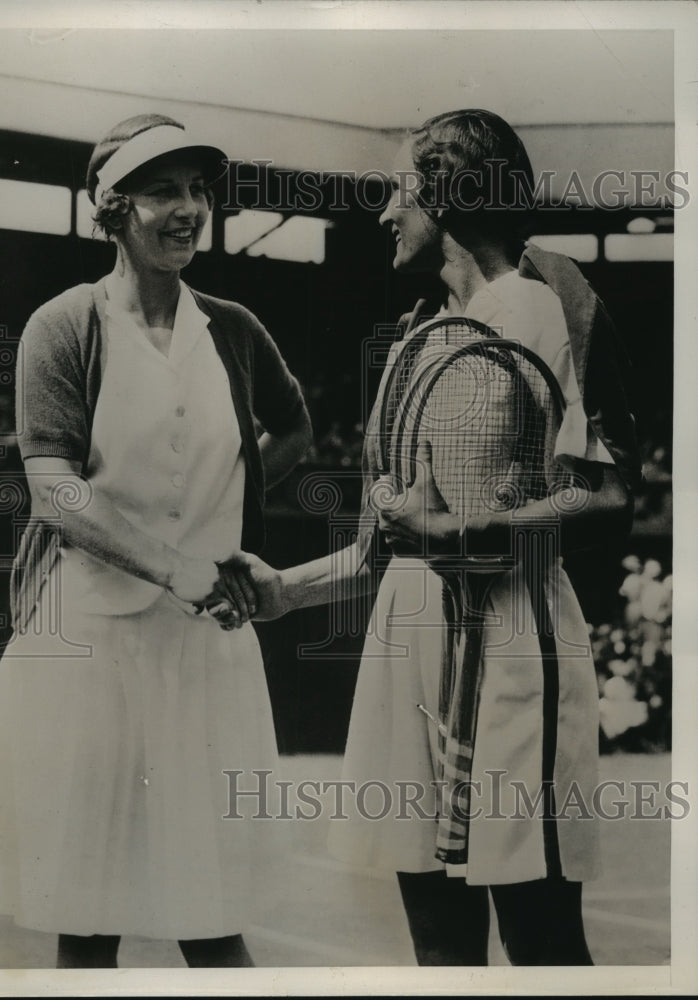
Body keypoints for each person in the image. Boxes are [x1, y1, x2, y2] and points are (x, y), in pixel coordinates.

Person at [217, 109, 641, 965]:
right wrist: (284, 590)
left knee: (543, 945)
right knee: (441, 952)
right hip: (409, 644)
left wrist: (460, 524)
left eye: (400, 193)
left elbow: (601, 495)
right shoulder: (417, 332)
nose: (384, 215)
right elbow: (389, 544)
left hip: (515, 637)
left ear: (448, 196)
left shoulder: (545, 302)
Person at [0, 113, 312, 969]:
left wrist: (220, 516)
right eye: (163, 190)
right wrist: (172, 564)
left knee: (212, 914)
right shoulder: (64, 325)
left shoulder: (231, 325)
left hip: (205, 650)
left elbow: (293, 428)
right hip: (92, 643)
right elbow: (54, 486)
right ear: (112, 208)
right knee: (86, 917)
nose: (188, 208)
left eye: (199, 190)